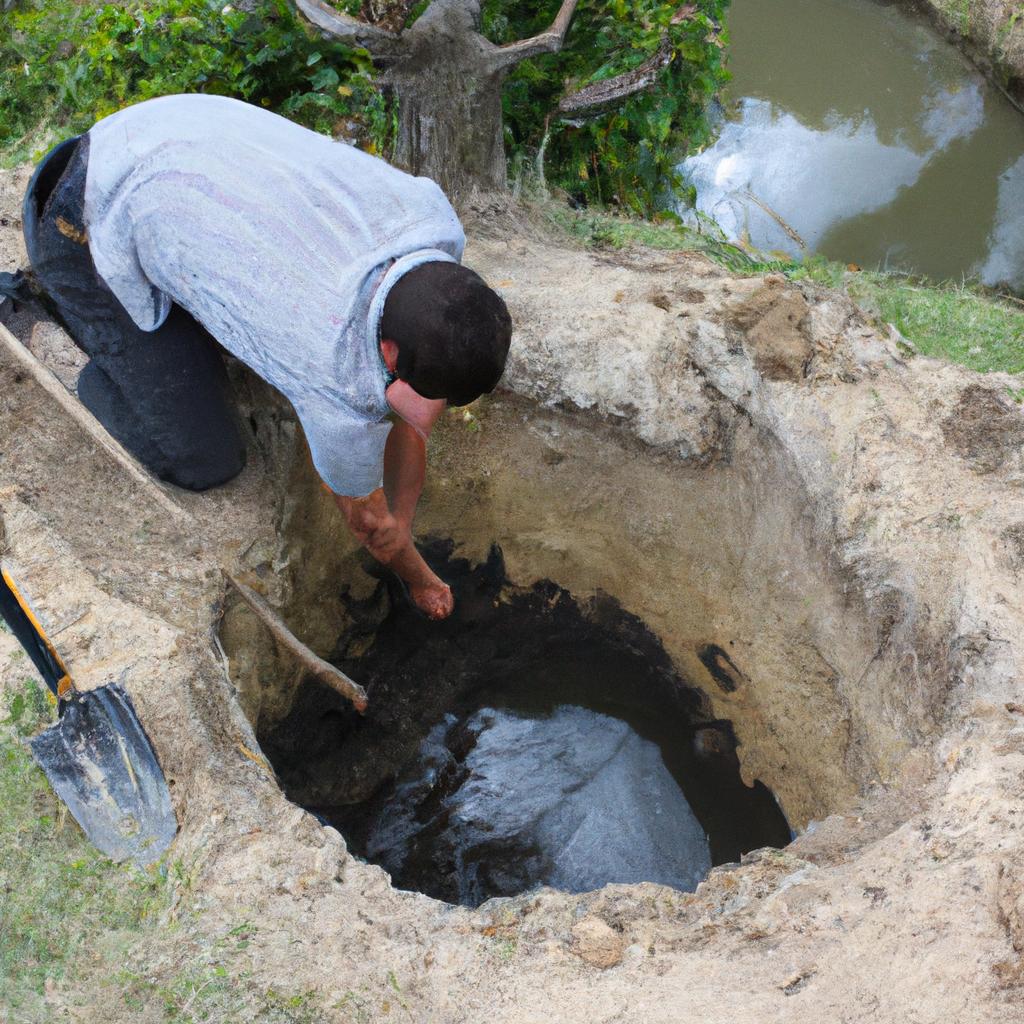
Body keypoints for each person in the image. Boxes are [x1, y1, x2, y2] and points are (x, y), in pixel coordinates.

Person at [20, 94, 513, 621]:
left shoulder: (435, 225)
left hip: (165, 136)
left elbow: (416, 412)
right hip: (81, 219)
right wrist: (422, 579)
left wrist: (406, 518)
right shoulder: (334, 376)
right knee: (203, 458)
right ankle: (73, 342)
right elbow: (368, 523)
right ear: (387, 351)